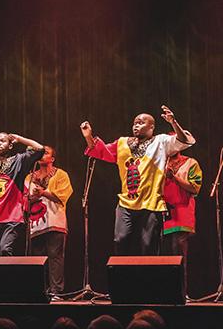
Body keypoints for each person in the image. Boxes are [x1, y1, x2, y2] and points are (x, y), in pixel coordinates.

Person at [80, 105, 195, 255]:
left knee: (148, 246)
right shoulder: (122, 143)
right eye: (135, 123)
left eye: (141, 123)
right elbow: (101, 152)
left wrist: (173, 122)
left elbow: (185, 140)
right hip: (126, 203)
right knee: (120, 239)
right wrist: (88, 136)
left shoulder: (161, 142)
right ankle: (124, 277)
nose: (136, 126)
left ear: (151, 127)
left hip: (151, 204)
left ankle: (147, 277)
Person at [24, 145, 73, 298]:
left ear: (52, 159)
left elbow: (63, 196)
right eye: (40, 152)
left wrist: (43, 192)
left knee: (55, 255)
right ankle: (39, 290)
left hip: (55, 220)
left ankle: (56, 291)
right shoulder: (29, 177)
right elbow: (26, 198)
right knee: (37, 257)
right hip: (36, 222)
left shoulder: (61, 174)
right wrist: (32, 197)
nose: (42, 155)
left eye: (45, 153)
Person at [162, 147, 202, 294]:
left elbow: (195, 188)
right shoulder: (160, 162)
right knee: (160, 255)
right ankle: (161, 293)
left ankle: (179, 294)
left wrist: (174, 178)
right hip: (161, 212)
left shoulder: (191, 163)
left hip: (181, 213)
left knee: (177, 254)